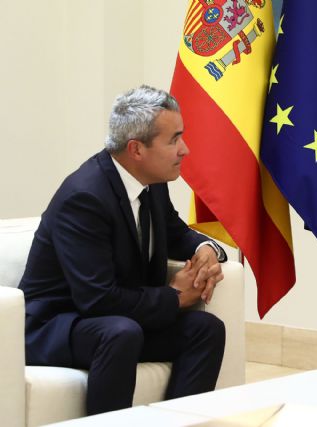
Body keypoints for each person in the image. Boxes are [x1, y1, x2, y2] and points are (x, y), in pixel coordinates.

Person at [19, 85, 228, 415]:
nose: (184, 150)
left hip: (114, 319)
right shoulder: (85, 198)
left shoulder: (152, 183)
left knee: (206, 330)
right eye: (173, 139)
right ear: (137, 149)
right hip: (56, 324)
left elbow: (177, 233)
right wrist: (174, 297)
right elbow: (96, 299)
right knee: (120, 332)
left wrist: (206, 250)